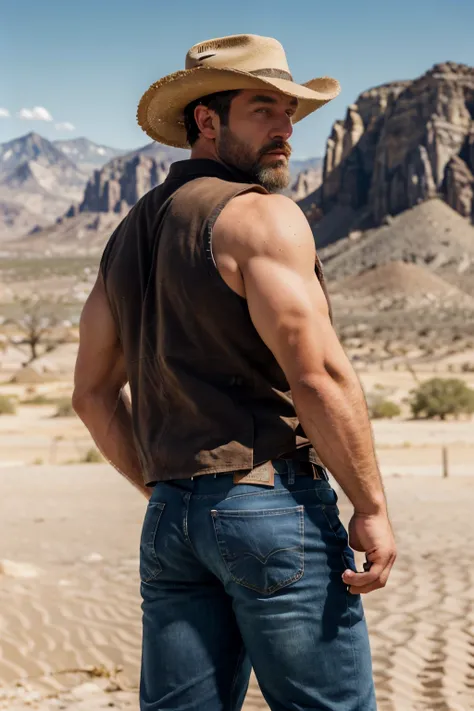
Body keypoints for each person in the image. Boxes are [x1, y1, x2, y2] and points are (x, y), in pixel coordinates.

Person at [73, 33, 396, 711]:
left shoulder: (126, 236)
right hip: (273, 508)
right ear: (206, 120)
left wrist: (169, 490)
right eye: (262, 109)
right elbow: (318, 376)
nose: (284, 129)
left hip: (171, 523)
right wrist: (370, 506)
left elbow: (91, 394)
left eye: (288, 112)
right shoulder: (261, 217)